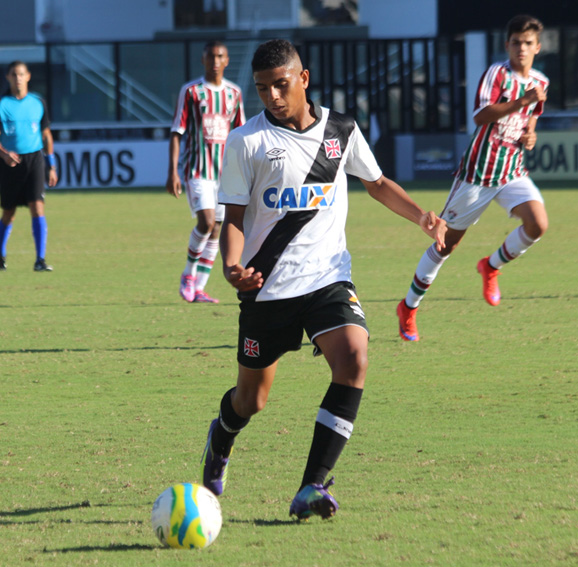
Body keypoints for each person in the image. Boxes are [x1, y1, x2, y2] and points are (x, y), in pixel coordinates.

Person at [199, 39, 446, 521]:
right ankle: (220, 437)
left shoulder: (341, 130)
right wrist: (231, 267)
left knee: (354, 357)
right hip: (266, 287)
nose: (272, 96)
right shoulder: (246, 142)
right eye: (262, 88)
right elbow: (234, 218)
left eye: (281, 84)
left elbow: (376, 184)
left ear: (304, 78)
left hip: (328, 278)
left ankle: (311, 486)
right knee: (251, 400)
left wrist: (421, 216)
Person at [397, 15, 549, 342]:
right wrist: (521, 101)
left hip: (512, 171)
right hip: (478, 173)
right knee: (445, 244)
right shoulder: (497, 74)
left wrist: (530, 135)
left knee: (538, 224)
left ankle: (491, 267)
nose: (521, 48)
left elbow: (531, 118)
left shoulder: (541, 82)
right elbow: (480, 116)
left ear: (537, 47)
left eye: (527, 43)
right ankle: (408, 307)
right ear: (507, 45)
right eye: (516, 43)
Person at [167, 40, 245, 304]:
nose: (215, 61)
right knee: (207, 222)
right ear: (203, 60)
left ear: (227, 60)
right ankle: (188, 275)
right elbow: (177, 132)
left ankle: (199, 288)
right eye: (211, 56)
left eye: (220, 56)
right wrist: (173, 172)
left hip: (225, 174)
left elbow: (241, 133)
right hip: (197, 170)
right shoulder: (191, 91)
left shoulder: (234, 93)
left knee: (217, 229)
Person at [0, 61, 58, 272]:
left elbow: (46, 135)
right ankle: (0, 255)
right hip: (10, 162)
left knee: (38, 207)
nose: (18, 78)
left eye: (21, 74)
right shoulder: (1, 104)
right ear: (8, 78)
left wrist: (51, 165)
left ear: (28, 76)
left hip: (34, 159)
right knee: (9, 212)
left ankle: (40, 260)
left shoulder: (38, 102)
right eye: (14, 74)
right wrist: (4, 154)